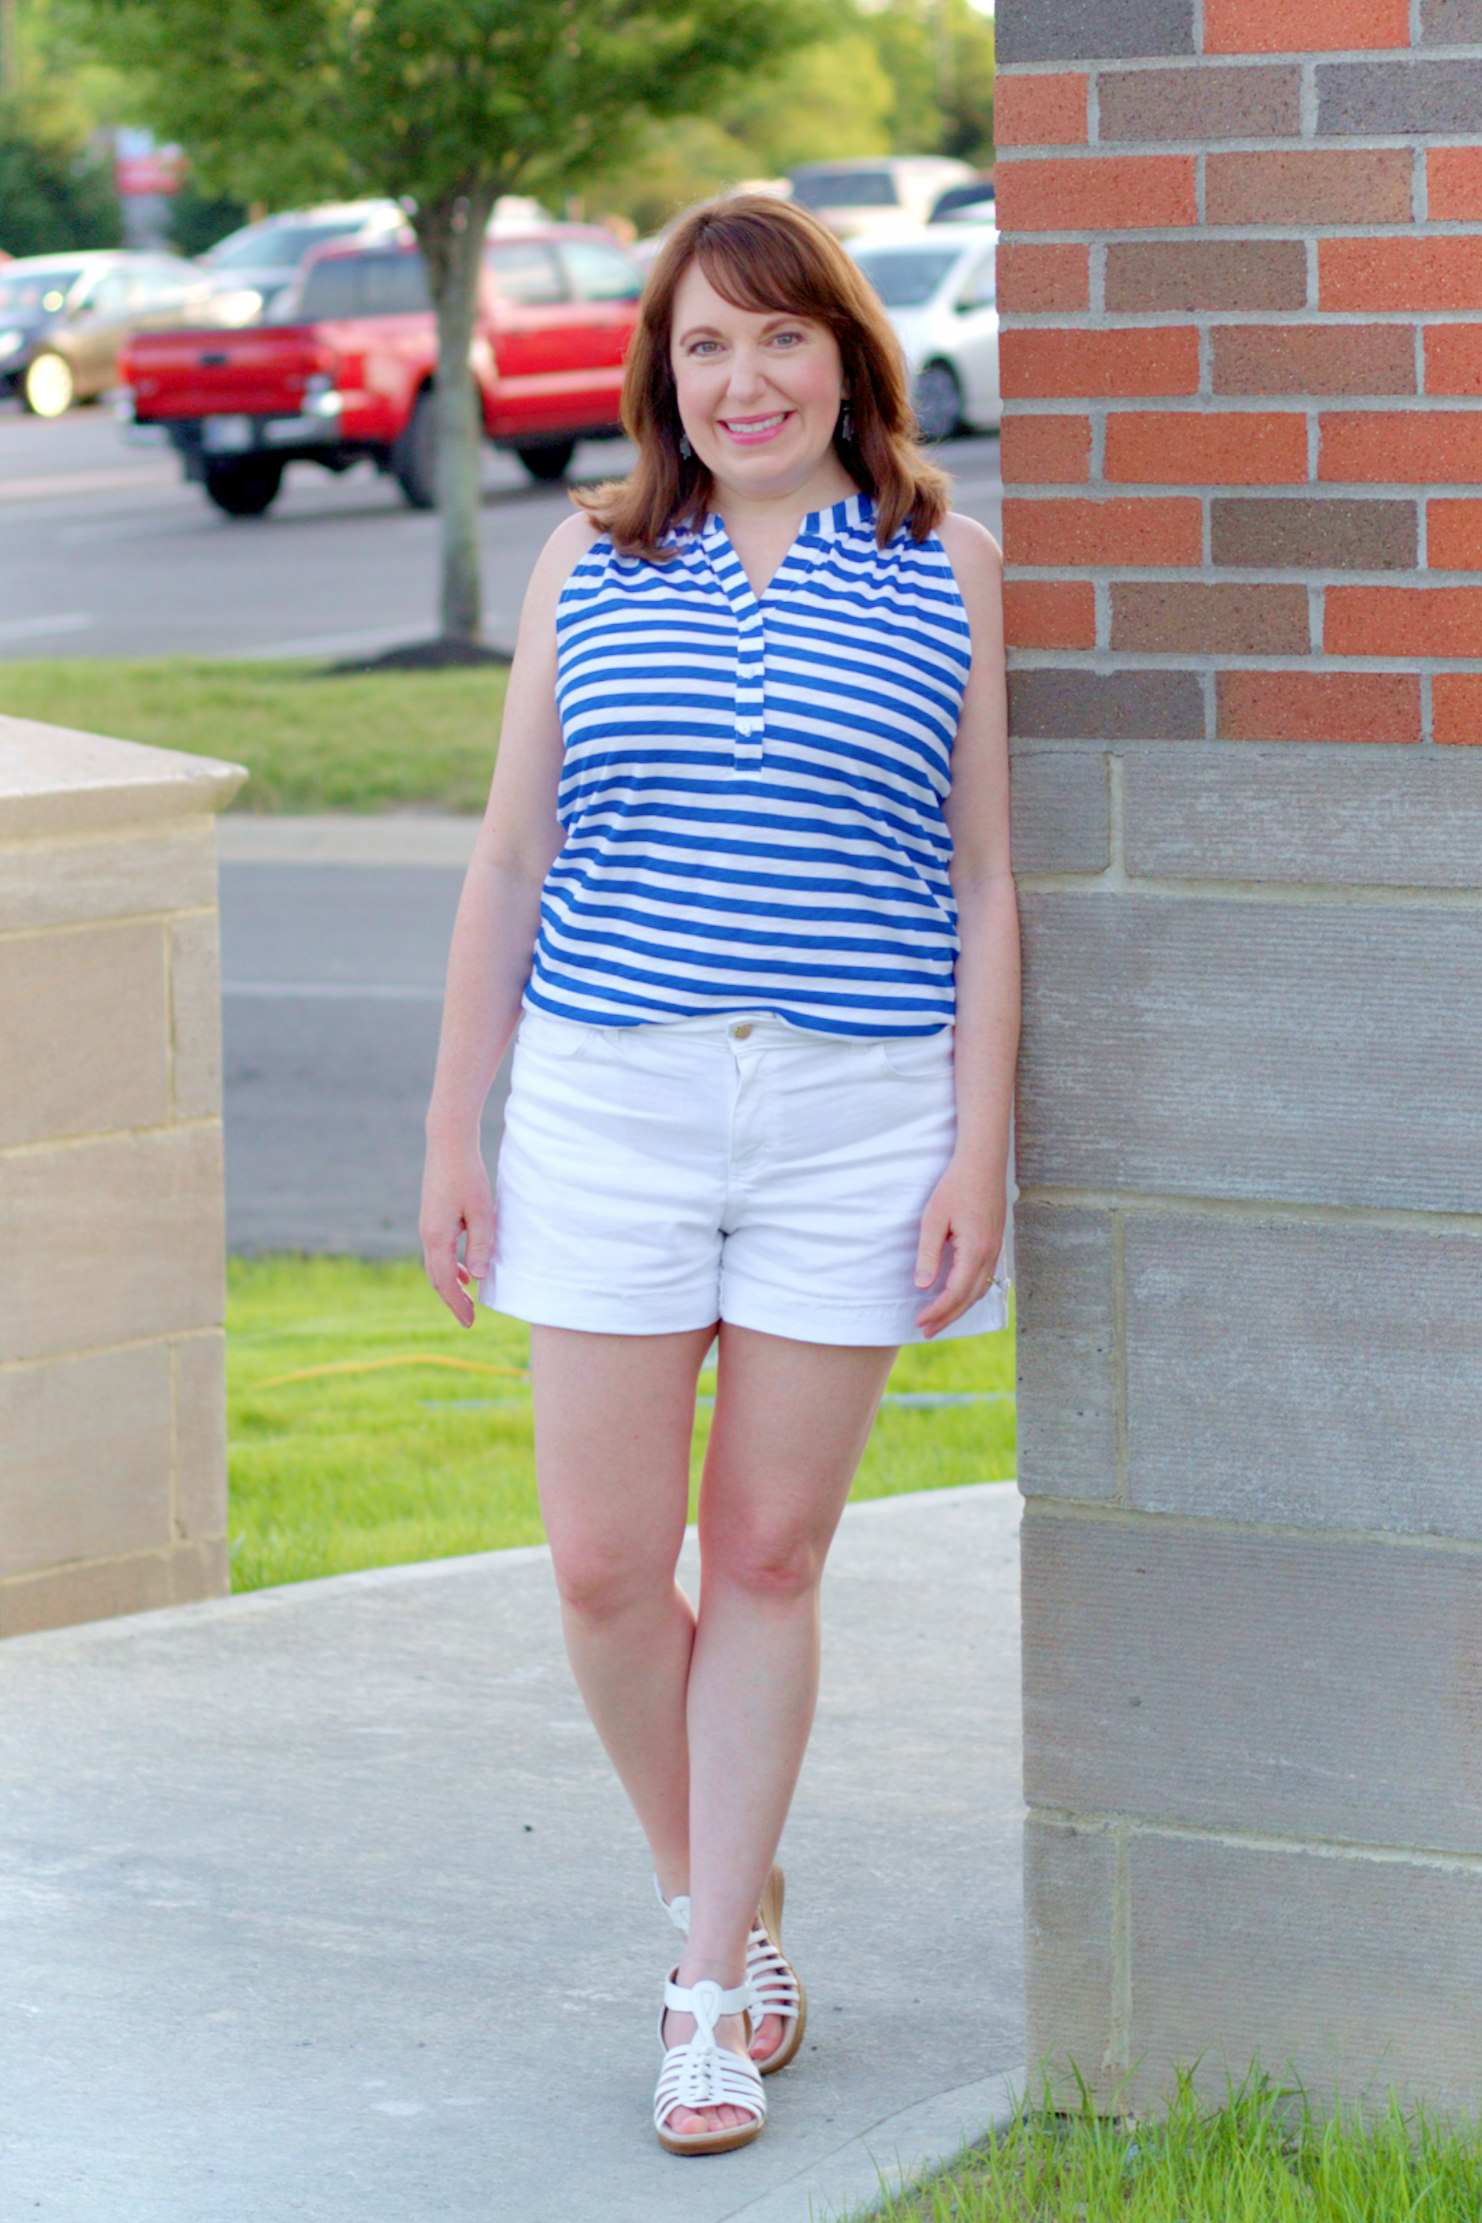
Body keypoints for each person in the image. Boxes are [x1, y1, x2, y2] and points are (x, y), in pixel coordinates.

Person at [420, 192, 1019, 2158]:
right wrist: (454, 1129)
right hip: (612, 1102)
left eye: (776, 338)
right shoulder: (595, 563)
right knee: (606, 1562)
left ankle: (698, 1994)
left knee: (764, 1553)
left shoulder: (951, 565)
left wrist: (978, 1145)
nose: (740, 380)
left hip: (860, 1112)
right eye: (700, 347)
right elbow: (510, 863)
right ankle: (730, 1889)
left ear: (847, 349)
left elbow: (984, 880)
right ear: (659, 373)